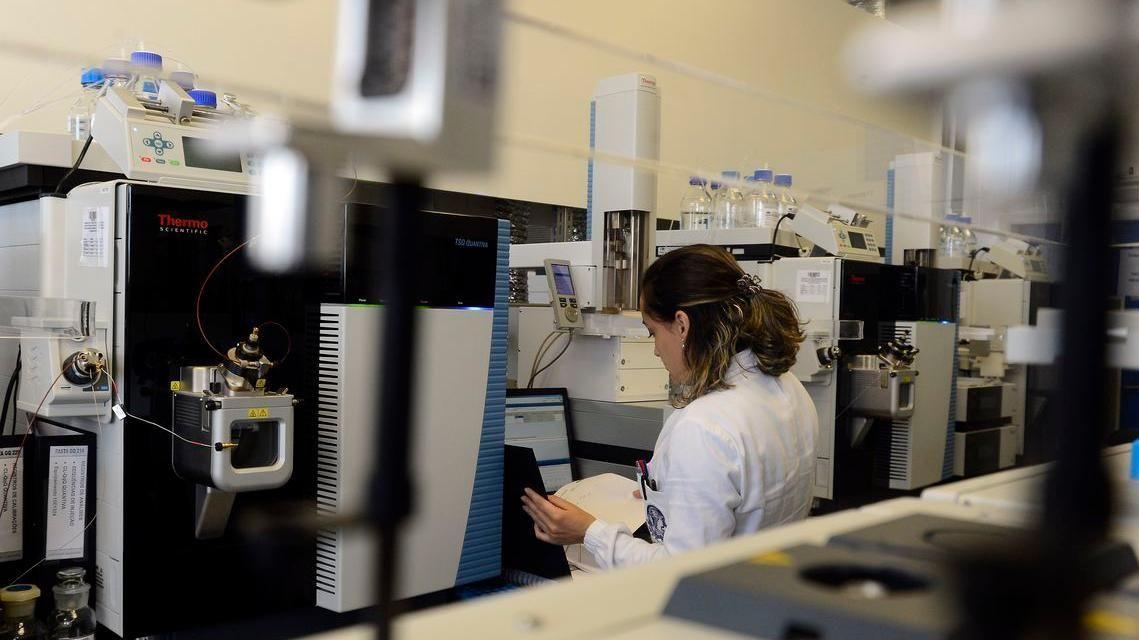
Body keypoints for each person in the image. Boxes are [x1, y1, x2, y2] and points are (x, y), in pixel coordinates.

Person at [521, 244, 818, 569]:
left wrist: (589, 532)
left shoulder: (703, 426)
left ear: (682, 324)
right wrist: (669, 493)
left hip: (715, 595)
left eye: (652, 332)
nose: (655, 351)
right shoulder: (789, 387)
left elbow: (680, 570)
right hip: (771, 581)